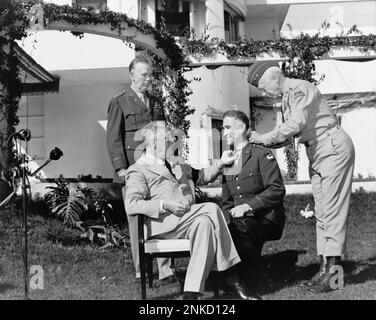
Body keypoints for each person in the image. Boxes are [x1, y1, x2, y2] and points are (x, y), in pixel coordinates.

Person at [247, 61, 355, 292]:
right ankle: (324, 270)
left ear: (275, 77)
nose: (265, 92)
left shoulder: (299, 88)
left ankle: (334, 276)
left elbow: (297, 123)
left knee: (333, 210)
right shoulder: (287, 98)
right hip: (316, 150)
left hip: (331, 145)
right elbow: (289, 135)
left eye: (265, 86)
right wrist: (258, 141)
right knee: (323, 212)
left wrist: (265, 137)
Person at [124, 121, 259, 300]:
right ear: (154, 143)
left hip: (186, 220)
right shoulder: (138, 169)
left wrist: (220, 165)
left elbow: (201, 176)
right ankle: (231, 277)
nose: (173, 143)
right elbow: (132, 204)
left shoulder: (175, 165)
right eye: (168, 140)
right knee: (211, 208)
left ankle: (191, 293)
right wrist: (165, 205)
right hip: (161, 225)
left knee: (204, 225)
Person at [106, 57, 171, 281]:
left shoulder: (155, 102)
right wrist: (121, 169)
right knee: (136, 219)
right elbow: (113, 138)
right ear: (132, 75)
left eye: (150, 75)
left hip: (157, 169)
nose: (147, 79)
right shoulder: (120, 102)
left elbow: (162, 135)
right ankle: (141, 270)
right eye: (143, 75)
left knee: (163, 215)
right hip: (134, 170)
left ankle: (165, 270)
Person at [221, 110, 286, 290]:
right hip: (242, 221)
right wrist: (225, 222)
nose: (224, 132)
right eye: (223, 128)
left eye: (228, 127)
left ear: (241, 128)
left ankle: (261, 278)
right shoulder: (229, 160)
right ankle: (249, 277)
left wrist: (248, 206)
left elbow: (277, 189)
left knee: (239, 228)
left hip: (267, 218)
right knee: (229, 228)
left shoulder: (261, 154)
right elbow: (227, 201)